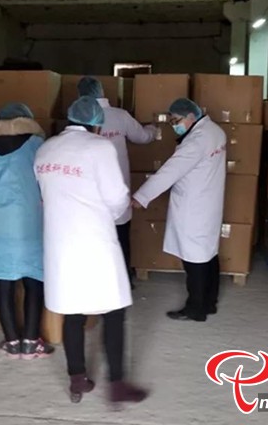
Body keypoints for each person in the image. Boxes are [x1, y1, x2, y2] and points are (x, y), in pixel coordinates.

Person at [35, 96, 148, 405]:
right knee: (113, 311)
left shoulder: (45, 149)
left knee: (72, 312)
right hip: (94, 240)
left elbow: (44, 195)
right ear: (97, 124)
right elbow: (116, 198)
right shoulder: (100, 148)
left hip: (59, 241)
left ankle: (77, 380)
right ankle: (117, 385)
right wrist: (108, 213)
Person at [0, 102, 54, 360]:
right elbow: (50, 183)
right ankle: (31, 342)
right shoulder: (38, 147)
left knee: (3, 284)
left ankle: (12, 342)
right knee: (34, 283)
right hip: (31, 225)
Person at [132, 98, 226, 322]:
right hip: (208, 203)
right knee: (208, 255)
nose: (174, 125)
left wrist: (141, 196)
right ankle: (209, 302)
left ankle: (196, 309)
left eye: (176, 121)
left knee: (194, 260)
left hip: (194, 208)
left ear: (191, 117)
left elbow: (170, 171)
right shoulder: (215, 131)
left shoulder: (196, 141)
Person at [77, 77, 157, 287]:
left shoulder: (77, 119)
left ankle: (98, 281)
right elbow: (142, 137)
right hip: (117, 187)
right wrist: (153, 129)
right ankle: (123, 281)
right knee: (120, 237)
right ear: (102, 92)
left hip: (88, 190)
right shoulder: (120, 116)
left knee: (94, 236)